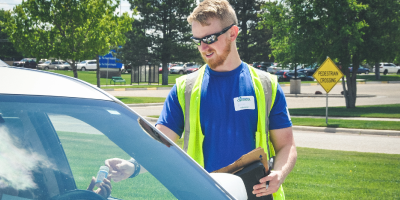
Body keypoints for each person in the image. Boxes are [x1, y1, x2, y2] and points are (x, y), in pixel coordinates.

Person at [106, 0, 297, 199]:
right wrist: (133, 165)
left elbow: (286, 145)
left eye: (210, 38)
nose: (203, 47)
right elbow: (159, 142)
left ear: (232, 33)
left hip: (256, 195)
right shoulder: (184, 89)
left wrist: (279, 174)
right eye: (198, 40)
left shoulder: (267, 85)